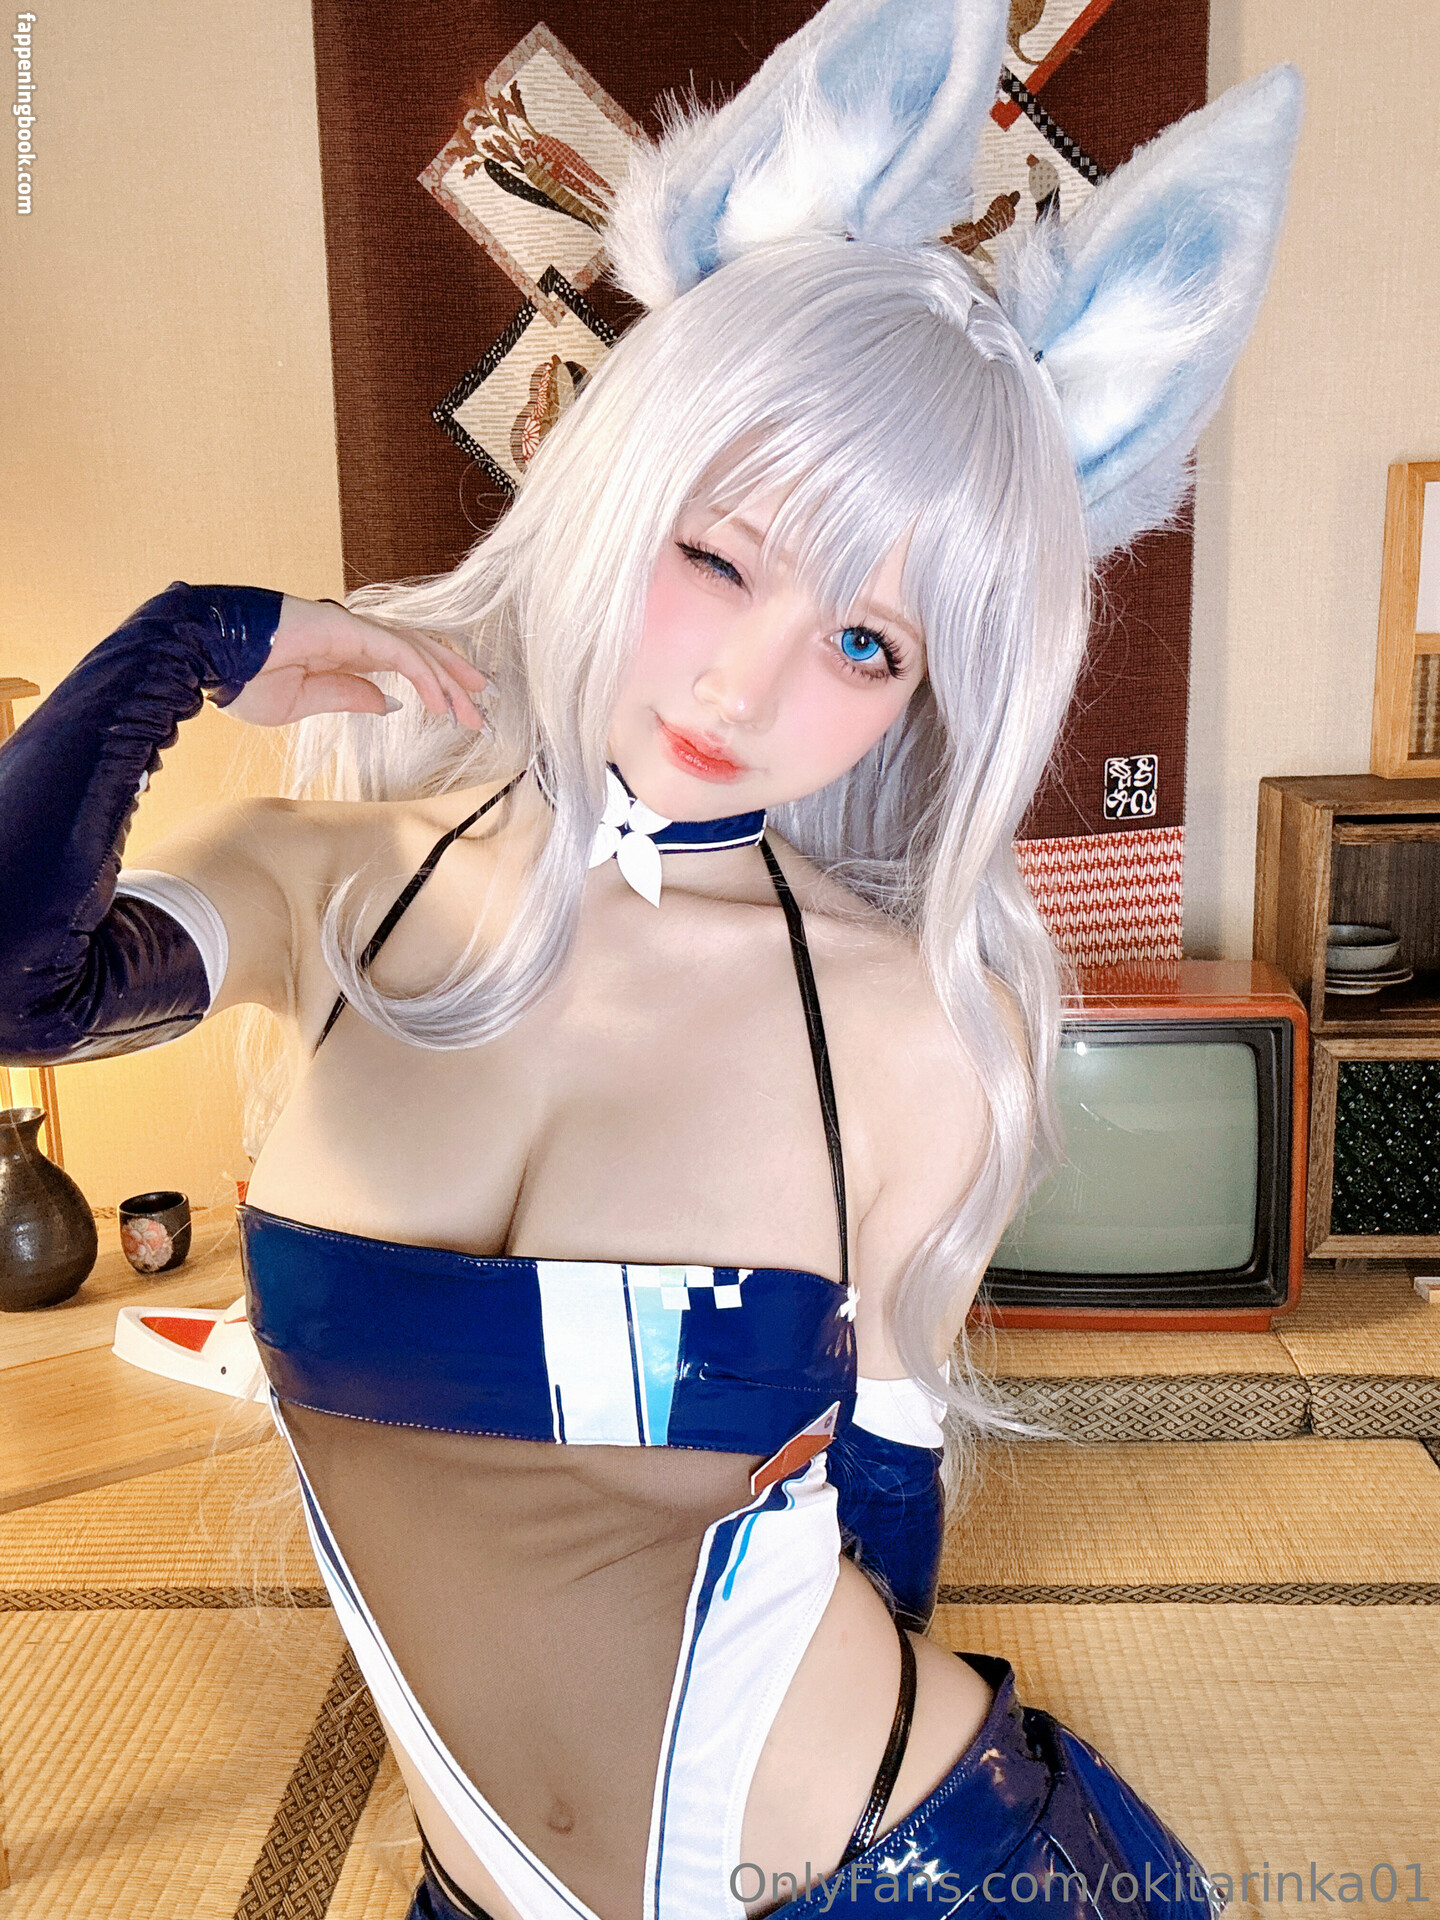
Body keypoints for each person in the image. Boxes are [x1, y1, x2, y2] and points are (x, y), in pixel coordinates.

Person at [0, 3, 1302, 1915]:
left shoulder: (907, 1030)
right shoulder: (324, 882)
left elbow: (882, 1515)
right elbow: (20, 984)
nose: (747, 685)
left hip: (905, 1874)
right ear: (623, 479)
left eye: (869, 645)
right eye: (721, 554)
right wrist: (181, 647)